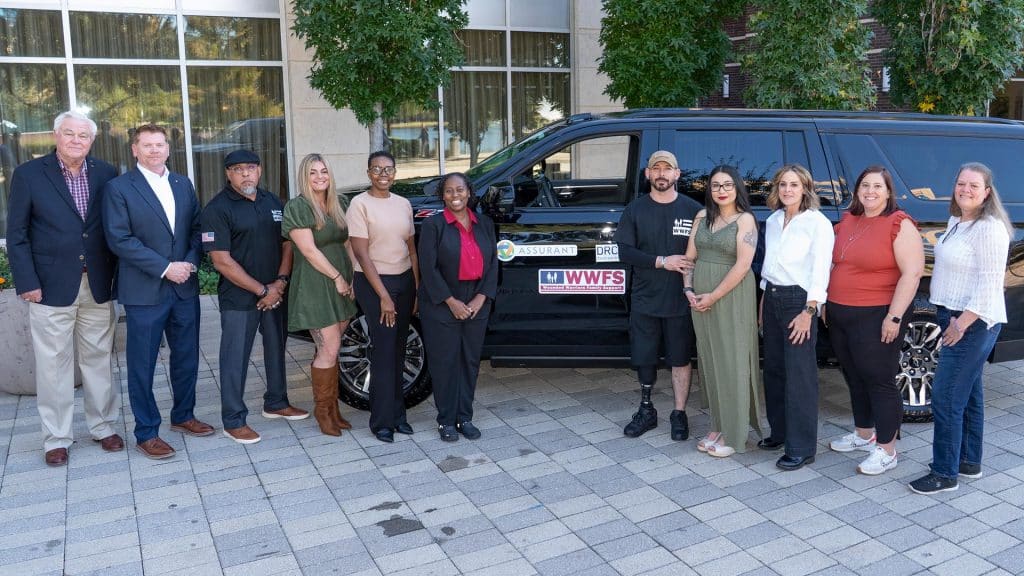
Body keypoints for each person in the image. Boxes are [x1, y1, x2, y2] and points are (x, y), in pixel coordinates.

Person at [5, 110, 121, 466]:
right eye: (68, 133)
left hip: (97, 283)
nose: (75, 140)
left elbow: (110, 228)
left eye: (83, 135)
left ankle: (103, 426)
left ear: (92, 140)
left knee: (98, 359)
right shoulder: (28, 175)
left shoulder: (106, 173)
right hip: (50, 286)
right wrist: (27, 282)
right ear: (56, 135)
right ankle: (56, 437)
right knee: (53, 364)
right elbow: (17, 235)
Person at [102, 123, 214, 459]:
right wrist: (166, 268)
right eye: (147, 145)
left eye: (160, 144)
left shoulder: (182, 183)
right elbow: (119, 239)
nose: (155, 150)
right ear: (134, 149)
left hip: (184, 288)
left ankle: (183, 415)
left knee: (186, 357)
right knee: (141, 364)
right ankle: (146, 431)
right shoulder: (119, 188)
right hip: (144, 291)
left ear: (168, 148)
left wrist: (190, 263)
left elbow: (197, 230)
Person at [909, 163, 1011, 494]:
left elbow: (991, 283)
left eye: (973, 185)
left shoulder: (990, 228)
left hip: (973, 321)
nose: (965, 189)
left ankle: (944, 473)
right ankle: (968, 462)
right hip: (949, 313)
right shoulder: (957, 222)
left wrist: (961, 324)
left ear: (987, 192)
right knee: (969, 394)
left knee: (946, 396)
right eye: (961, 183)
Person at [200, 150, 307, 445]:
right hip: (240, 297)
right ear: (228, 174)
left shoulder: (272, 202)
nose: (245, 174)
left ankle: (276, 402)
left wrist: (281, 283)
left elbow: (287, 244)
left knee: (276, 347)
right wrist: (262, 290)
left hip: (274, 292)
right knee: (235, 357)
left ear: (259, 171)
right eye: (238, 169)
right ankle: (233, 420)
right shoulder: (217, 209)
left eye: (250, 168)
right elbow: (221, 261)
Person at [826, 166, 924, 475]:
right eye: (865, 185)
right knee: (854, 376)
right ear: (857, 191)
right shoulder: (847, 221)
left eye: (877, 186)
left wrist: (893, 317)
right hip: (841, 312)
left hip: (878, 312)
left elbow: (912, 273)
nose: (870, 191)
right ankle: (864, 434)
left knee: (879, 380)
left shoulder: (899, 223)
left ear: (888, 191)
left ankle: (887, 449)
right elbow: (833, 264)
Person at [614, 150, 702, 440]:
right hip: (645, 299)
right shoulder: (635, 210)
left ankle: (679, 413)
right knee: (645, 357)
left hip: (681, 300)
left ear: (678, 174)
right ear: (648, 175)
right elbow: (624, 251)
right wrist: (663, 261)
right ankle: (646, 410)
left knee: (680, 359)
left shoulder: (694, 210)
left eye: (668, 169)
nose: (662, 174)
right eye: (656, 169)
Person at [759, 164, 834, 470]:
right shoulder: (775, 220)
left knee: (800, 375)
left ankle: (802, 447)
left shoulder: (817, 223)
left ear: (805, 188)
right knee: (774, 370)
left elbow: (820, 271)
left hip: (798, 302)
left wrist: (809, 311)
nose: (788, 190)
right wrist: (763, 301)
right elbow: (769, 266)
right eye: (782, 185)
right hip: (773, 296)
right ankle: (780, 432)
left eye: (794, 184)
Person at [683, 165, 762, 457]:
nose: (721, 190)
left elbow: (743, 265)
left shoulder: (746, 221)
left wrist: (712, 296)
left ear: (737, 188)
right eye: (716, 185)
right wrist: (688, 290)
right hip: (700, 299)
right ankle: (717, 424)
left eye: (727, 185)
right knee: (711, 360)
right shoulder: (702, 217)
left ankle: (734, 432)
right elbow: (690, 258)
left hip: (730, 296)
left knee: (732, 359)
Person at [282, 153, 358, 437]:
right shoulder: (298, 207)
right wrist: (337, 278)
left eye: (323, 171)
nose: (319, 177)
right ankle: (323, 412)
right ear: (304, 176)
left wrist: (352, 276)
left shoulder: (340, 203)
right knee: (328, 347)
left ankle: (334, 410)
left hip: (342, 281)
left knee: (331, 348)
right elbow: (309, 251)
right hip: (317, 283)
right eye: (312, 173)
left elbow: (348, 243)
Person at [418, 172, 498, 441]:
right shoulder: (434, 226)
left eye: (460, 190)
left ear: (469, 192)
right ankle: (446, 421)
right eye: (449, 191)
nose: (455, 196)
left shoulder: (484, 224)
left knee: (469, 362)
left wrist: (480, 298)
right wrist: (451, 302)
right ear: (443, 195)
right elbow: (428, 269)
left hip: (477, 301)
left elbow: (493, 265)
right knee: (445, 363)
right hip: (442, 302)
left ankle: (465, 418)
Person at [348, 151, 419, 443]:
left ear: (395, 172)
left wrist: (416, 289)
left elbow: (411, 249)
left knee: (399, 351)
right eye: (377, 169)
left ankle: (398, 415)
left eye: (388, 169)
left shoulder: (403, 204)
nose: (383, 174)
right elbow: (362, 255)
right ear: (368, 173)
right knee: (384, 352)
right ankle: (381, 422)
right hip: (374, 282)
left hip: (404, 281)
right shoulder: (359, 204)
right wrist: (385, 298)